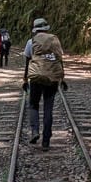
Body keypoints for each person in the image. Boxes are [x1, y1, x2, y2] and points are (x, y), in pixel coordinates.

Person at [22, 17, 68, 150]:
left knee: (33, 104)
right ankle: (46, 141)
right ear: (46, 29)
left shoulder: (31, 42)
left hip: (36, 77)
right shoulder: (55, 40)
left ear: (35, 30)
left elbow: (27, 62)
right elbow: (59, 60)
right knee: (48, 108)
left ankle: (35, 131)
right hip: (52, 77)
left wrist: (25, 79)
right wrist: (62, 78)